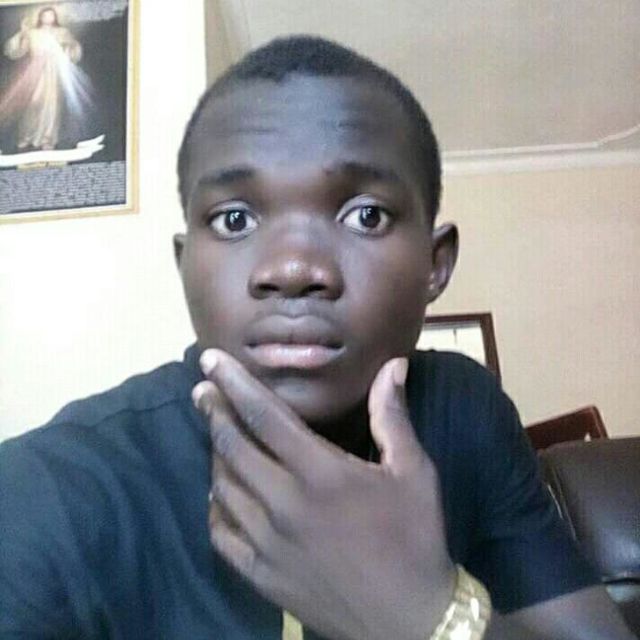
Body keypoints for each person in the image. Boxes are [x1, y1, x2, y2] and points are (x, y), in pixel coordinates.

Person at [0, 36, 634, 640]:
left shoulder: (463, 408)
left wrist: (427, 613)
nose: (293, 268)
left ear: (434, 265)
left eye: (366, 216)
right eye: (235, 219)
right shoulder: (47, 490)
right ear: (184, 264)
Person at [0, 6, 92, 151]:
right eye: (45, 15)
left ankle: (47, 139)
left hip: (54, 72)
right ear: (40, 17)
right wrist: (23, 32)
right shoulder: (32, 33)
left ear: (55, 17)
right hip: (34, 70)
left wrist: (68, 46)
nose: (48, 18)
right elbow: (17, 51)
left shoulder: (62, 32)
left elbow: (73, 50)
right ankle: (27, 136)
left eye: (51, 15)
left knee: (51, 105)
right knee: (32, 103)